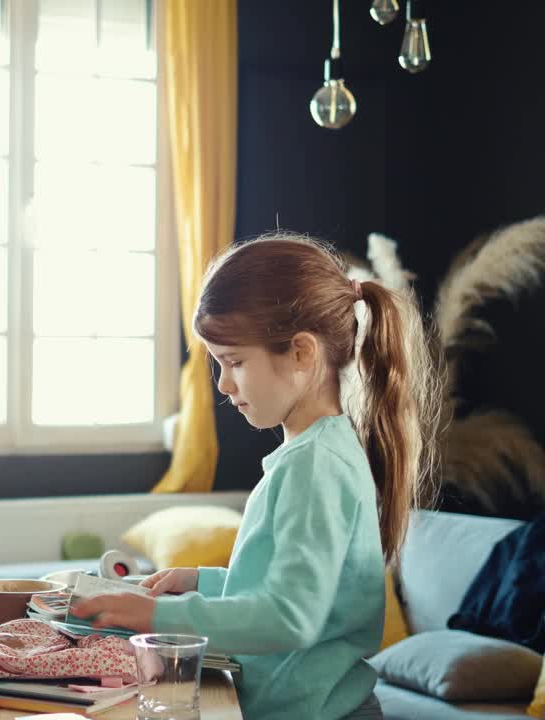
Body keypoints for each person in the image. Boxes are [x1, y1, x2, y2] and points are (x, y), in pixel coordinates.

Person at [73, 234, 438, 720]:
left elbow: (289, 617)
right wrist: (202, 581)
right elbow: (295, 587)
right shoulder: (318, 452)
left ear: (302, 354)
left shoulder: (315, 465)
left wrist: (156, 616)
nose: (223, 385)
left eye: (235, 362)